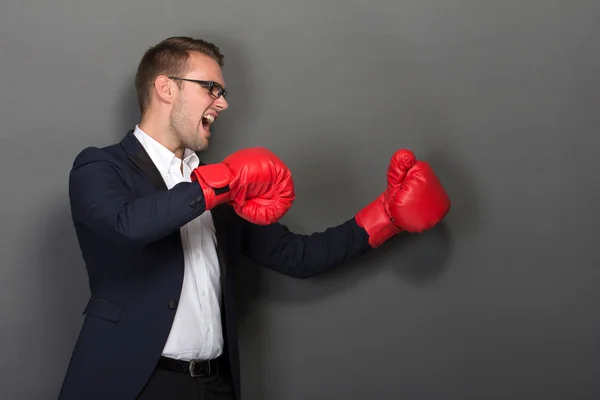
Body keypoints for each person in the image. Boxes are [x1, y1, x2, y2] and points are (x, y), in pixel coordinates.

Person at [57, 36, 451, 400]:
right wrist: (220, 183)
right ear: (165, 88)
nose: (223, 102)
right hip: (133, 385)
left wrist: (385, 216)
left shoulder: (217, 187)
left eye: (223, 91)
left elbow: (299, 256)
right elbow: (127, 224)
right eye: (211, 88)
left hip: (213, 385)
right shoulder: (100, 166)